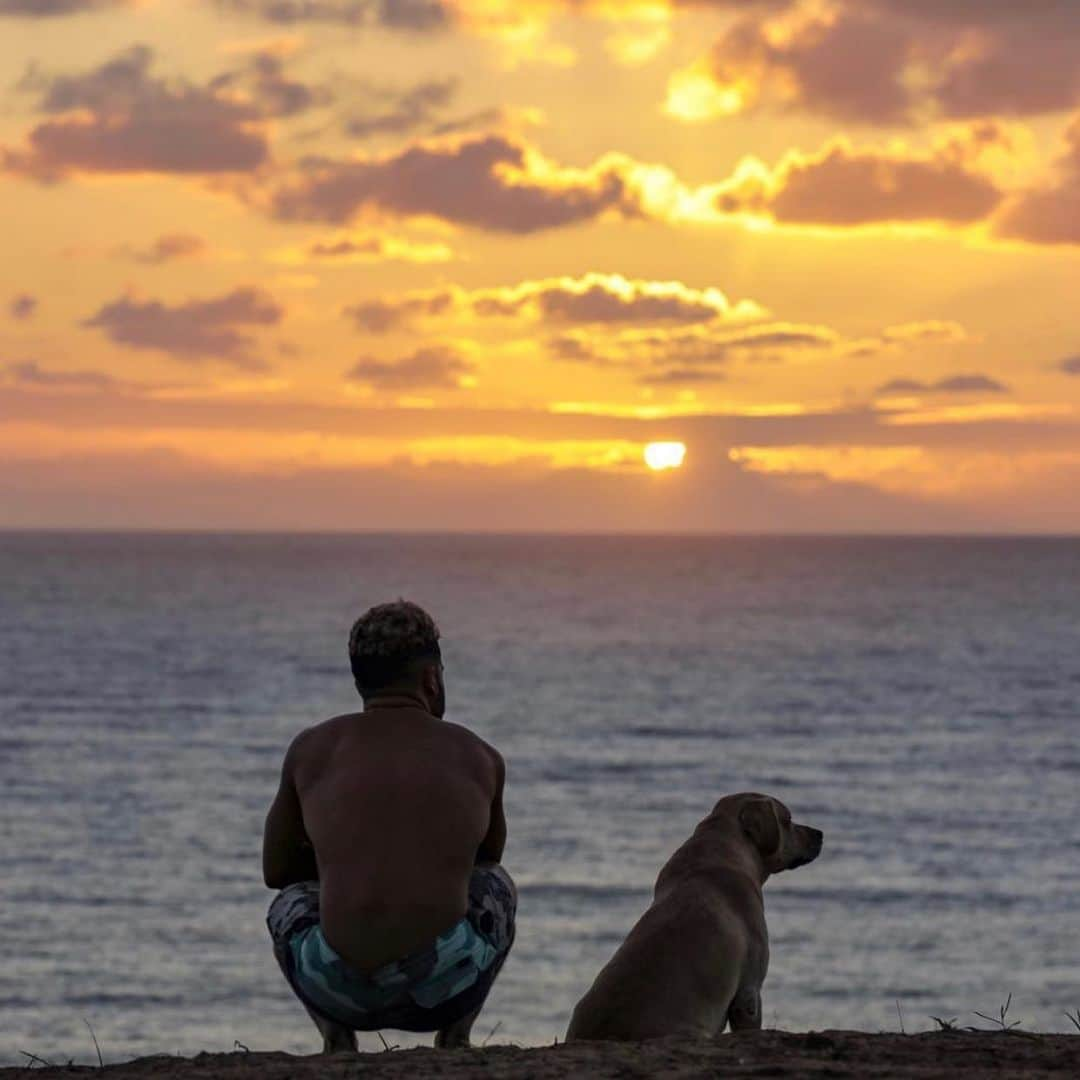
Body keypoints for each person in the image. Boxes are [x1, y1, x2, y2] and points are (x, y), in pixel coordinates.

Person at [263, 600, 515, 1052]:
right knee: (498, 885)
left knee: (290, 901)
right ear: (431, 678)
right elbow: (487, 859)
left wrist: (342, 856)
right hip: (443, 988)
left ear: (360, 680)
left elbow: (276, 872)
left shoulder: (311, 750)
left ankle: (336, 1037)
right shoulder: (479, 756)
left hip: (337, 989)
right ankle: (456, 1036)